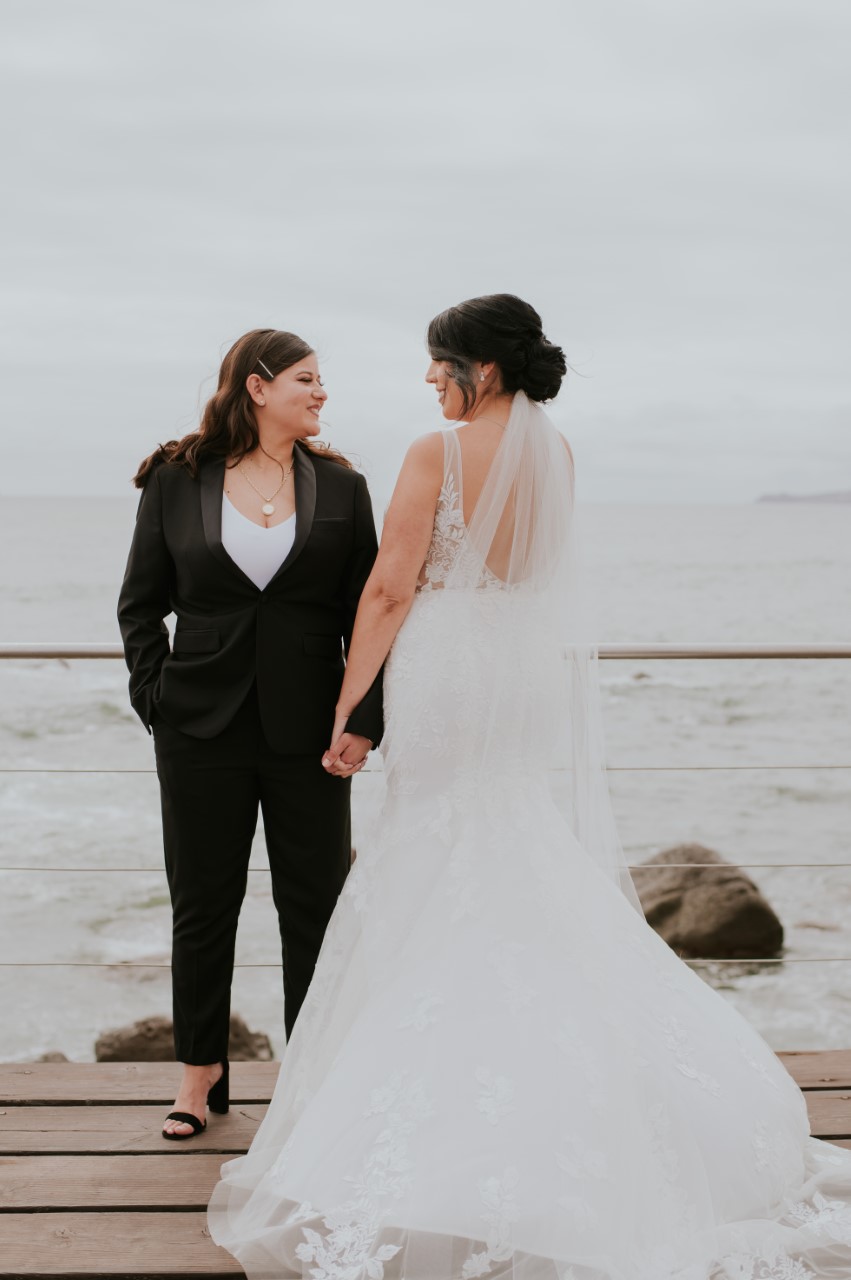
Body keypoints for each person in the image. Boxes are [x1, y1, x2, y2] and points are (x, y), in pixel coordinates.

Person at [208, 297, 851, 1278]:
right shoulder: (558, 457)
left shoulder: (439, 450)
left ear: (484, 369)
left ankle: (439, 1106)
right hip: (517, 670)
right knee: (511, 838)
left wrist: (348, 709)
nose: (429, 379)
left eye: (439, 362)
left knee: (433, 851)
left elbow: (389, 586)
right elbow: (539, 572)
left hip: (445, 663)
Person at [117, 329, 382, 1140]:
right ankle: (199, 1079)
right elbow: (140, 604)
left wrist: (363, 720)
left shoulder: (343, 487)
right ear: (258, 386)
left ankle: (307, 1082)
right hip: (197, 725)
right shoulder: (175, 477)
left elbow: (364, 615)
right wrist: (155, 696)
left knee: (315, 906)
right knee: (203, 904)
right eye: (307, 378)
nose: (321, 392)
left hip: (310, 731)